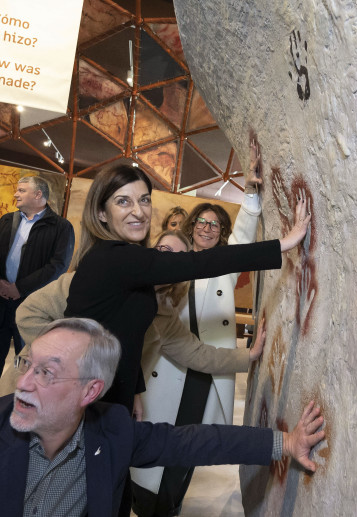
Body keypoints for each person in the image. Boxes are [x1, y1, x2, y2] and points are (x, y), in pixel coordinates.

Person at [62, 164, 306, 517]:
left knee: (116, 493)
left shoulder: (121, 264)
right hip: (84, 406)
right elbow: (203, 263)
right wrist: (283, 244)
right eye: (123, 201)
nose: (138, 210)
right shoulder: (116, 258)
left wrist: (133, 388)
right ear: (101, 212)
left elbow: (125, 335)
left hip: (105, 402)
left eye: (144, 199)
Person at [0, 318, 324, 517]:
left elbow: (192, 442)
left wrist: (285, 443)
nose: (24, 383)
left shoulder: (112, 430)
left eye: (47, 372)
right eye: (27, 363)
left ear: (91, 391)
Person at [0, 231, 265, 406]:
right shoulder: (91, 279)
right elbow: (29, 315)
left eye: (177, 258)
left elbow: (198, 353)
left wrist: (248, 356)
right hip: (35, 386)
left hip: (98, 404)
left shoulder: (163, 318)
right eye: (163, 252)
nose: (168, 261)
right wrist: (65, 359)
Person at [134, 168, 266, 515]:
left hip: (204, 371)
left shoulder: (224, 267)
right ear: (191, 226)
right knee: (156, 432)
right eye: (202, 222)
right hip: (166, 365)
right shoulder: (171, 260)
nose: (208, 228)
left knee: (190, 440)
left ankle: (171, 502)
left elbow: (245, 236)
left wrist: (250, 197)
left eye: (215, 225)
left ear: (221, 234)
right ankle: (144, 500)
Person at [0, 175, 73, 410]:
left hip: (33, 308)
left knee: (28, 363)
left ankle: (18, 410)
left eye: (21, 190)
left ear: (38, 195)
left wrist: (20, 288)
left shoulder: (61, 227)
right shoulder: (6, 220)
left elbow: (57, 266)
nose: (15, 194)